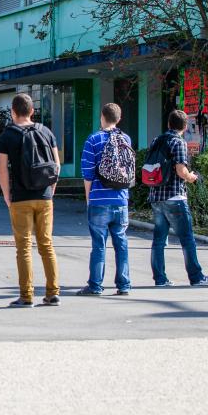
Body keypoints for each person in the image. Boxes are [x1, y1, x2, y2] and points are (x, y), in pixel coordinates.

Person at [0, 93, 61, 307]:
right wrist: (51, 189)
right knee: (46, 244)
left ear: (13, 112)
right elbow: (56, 165)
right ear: (32, 111)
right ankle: (53, 292)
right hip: (44, 196)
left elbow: (2, 169)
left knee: (23, 247)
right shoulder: (46, 132)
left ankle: (26, 295)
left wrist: (7, 194)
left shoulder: (7, 136)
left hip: (20, 197)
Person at [148, 109, 208, 286]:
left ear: (169, 124)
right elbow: (180, 170)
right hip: (175, 197)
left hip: (156, 196)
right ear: (185, 127)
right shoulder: (179, 142)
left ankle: (160, 279)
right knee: (187, 239)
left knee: (158, 240)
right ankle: (196, 277)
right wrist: (191, 177)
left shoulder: (157, 140)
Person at [77, 103, 133, 296]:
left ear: (102, 117)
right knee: (121, 242)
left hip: (99, 199)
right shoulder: (125, 139)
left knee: (99, 244)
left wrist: (88, 198)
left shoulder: (93, 140)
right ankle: (124, 284)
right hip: (121, 199)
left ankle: (95, 285)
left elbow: (87, 174)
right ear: (119, 118)